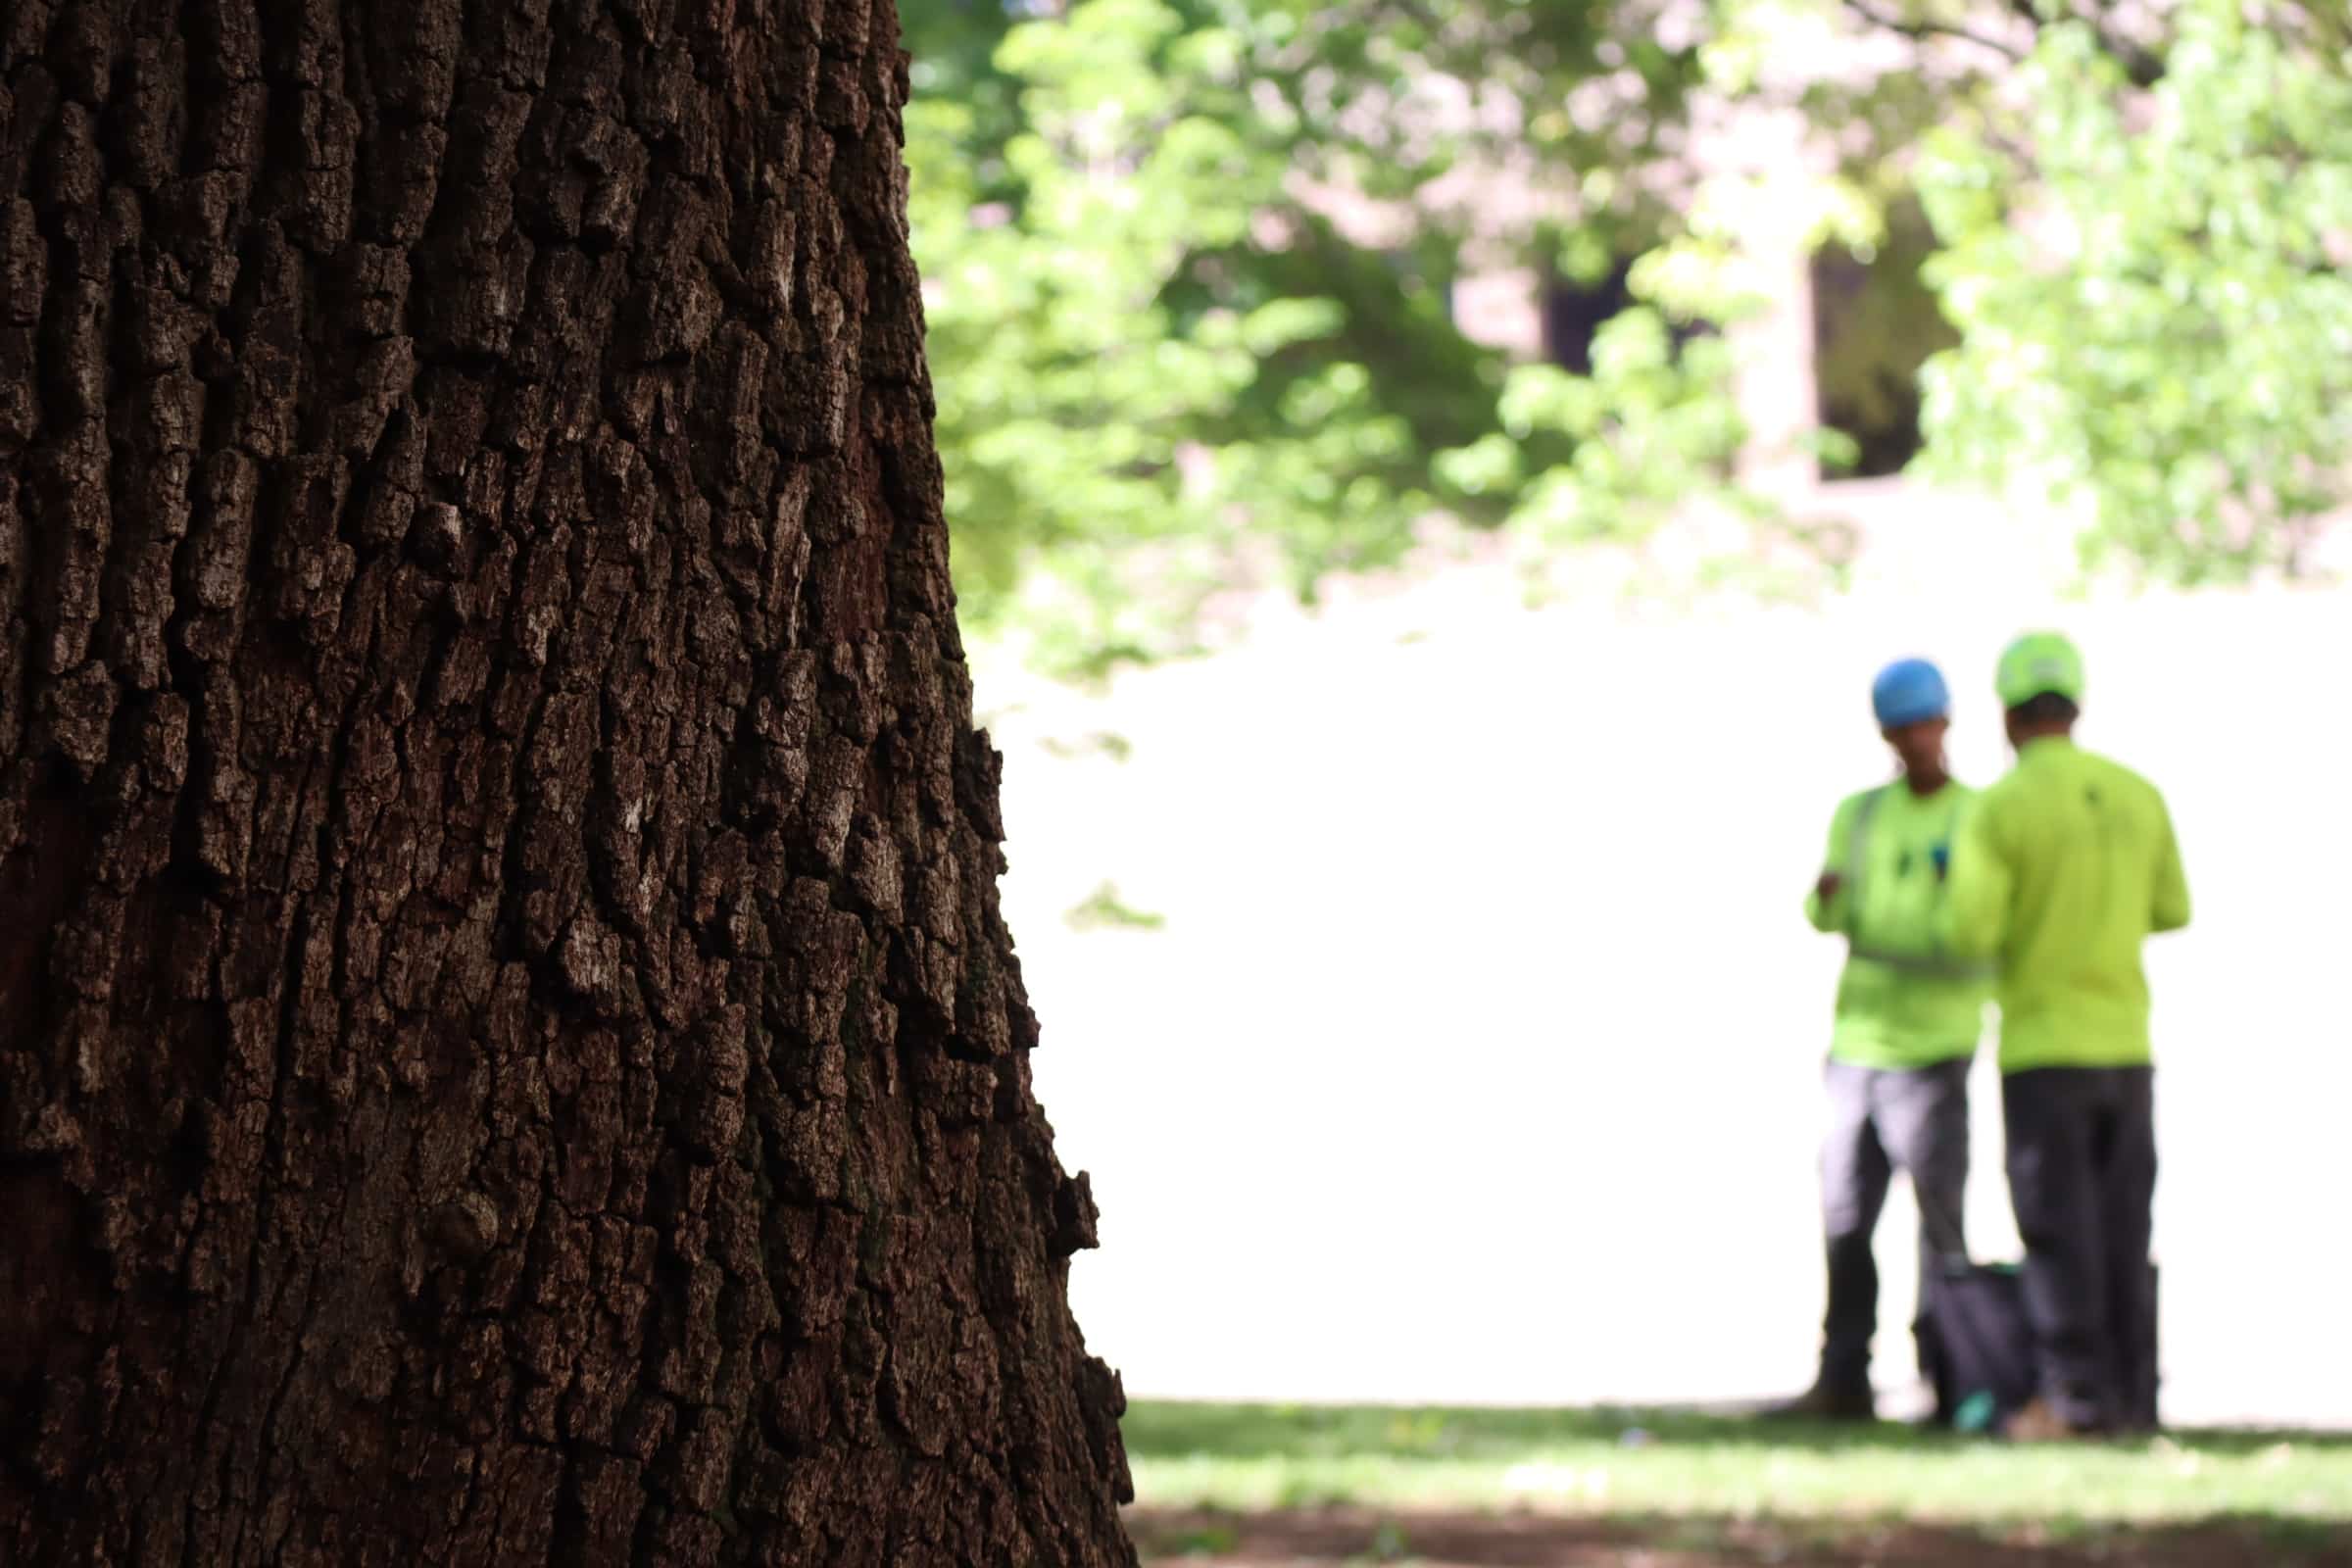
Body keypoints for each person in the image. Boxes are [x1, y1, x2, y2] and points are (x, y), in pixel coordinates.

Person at [1945, 632, 2191, 1440]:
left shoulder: (2001, 808)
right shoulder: (2137, 794)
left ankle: (2072, 1399)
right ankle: (2131, 1397)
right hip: (2126, 1044)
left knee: (2058, 1229)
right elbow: (2172, 909)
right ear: (2075, 706)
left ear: (2010, 716)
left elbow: (1970, 929)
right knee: (2127, 1226)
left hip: (2043, 1048)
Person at [1772, 658, 1991, 1422]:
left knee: (1939, 1225)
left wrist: (1899, 931)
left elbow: (1972, 927)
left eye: (1925, 724)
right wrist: (1833, 904)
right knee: (1844, 1213)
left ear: (1946, 724)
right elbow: (1828, 908)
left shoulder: (1978, 818)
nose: (1915, 741)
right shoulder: (1860, 815)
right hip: (1858, 1042)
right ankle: (1842, 1378)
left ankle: (1948, 1378)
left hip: (1935, 1048)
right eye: (1901, 729)